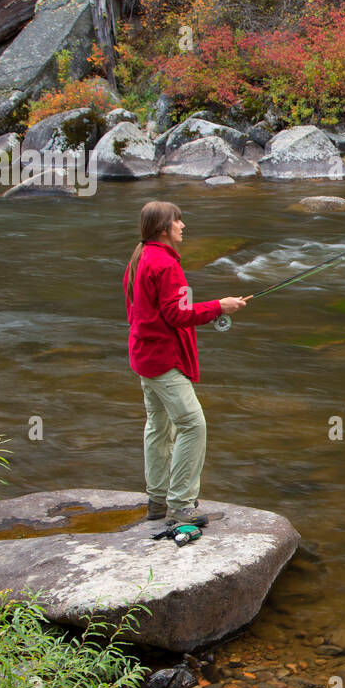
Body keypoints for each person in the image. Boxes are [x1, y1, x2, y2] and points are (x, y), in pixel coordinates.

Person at [123, 200, 248, 525]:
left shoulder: (140, 257)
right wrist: (219, 306)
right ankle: (180, 506)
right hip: (163, 361)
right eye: (178, 222)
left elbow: (136, 308)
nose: (183, 226)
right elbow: (178, 315)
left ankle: (156, 501)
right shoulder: (165, 265)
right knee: (193, 425)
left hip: (143, 356)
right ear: (163, 228)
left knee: (158, 426)